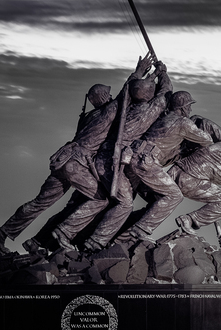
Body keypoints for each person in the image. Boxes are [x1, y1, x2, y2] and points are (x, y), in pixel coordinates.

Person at [0, 54, 153, 254]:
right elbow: (124, 95)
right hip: (75, 164)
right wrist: (138, 72)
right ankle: (63, 233)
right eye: (107, 96)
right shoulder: (106, 113)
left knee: (40, 202)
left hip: (62, 159)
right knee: (100, 199)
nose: (110, 98)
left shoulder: (88, 117)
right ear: (103, 99)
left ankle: (3, 232)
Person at [52, 61, 171, 250]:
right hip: (112, 164)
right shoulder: (149, 111)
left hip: (99, 160)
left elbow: (127, 91)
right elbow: (166, 91)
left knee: (104, 199)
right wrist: (162, 73)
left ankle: (71, 233)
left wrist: (145, 74)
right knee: (125, 203)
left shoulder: (122, 109)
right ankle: (92, 240)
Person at [116, 90, 213, 244]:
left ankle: (120, 237)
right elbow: (207, 140)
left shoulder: (162, 119)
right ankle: (139, 230)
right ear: (183, 108)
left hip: (133, 157)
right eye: (189, 107)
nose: (190, 110)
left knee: (153, 199)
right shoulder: (183, 122)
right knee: (174, 195)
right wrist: (204, 126)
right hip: (146, 162)